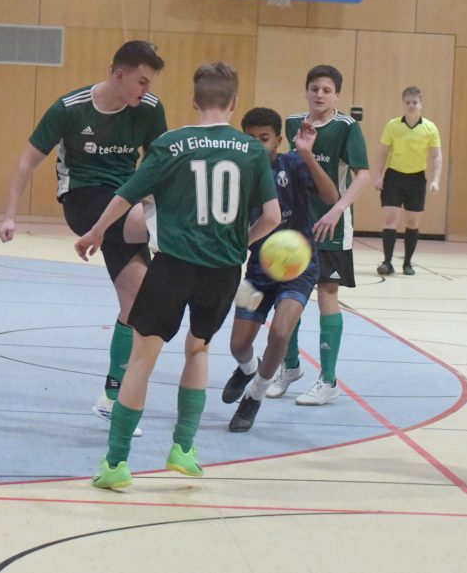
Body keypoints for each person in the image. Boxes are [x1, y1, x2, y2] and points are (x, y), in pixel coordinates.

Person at [74, 62, 281, 489]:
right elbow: (274, 217)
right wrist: (243, 240)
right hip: (222, 272)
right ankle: (184, 450)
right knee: (199, 351)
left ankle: (116, 464)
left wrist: (96, 231)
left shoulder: (172, 144)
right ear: (234, 103)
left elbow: (127, 193)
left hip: (172, 266)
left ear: (193, 101)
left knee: (142, 357)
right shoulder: (253, 151)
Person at [0, 41, 166, 435]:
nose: (146, 89)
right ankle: (181, 243)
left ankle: (111, 397)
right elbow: (26, 161)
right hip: (85, 200)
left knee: (138, 304)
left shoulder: (150, 109)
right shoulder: (69, 109)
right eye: (141, 81)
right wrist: (9, 215)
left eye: (150, 82)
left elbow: (160, 162)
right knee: (155, 220)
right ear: (118, 74)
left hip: (128, 202)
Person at [221, 107, 339, 432]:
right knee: (237, 345)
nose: (258, 145)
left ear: (278, 140)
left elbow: (331, 197)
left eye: (265, 138)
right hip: (258, 270)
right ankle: (247, 369)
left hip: (297, 268)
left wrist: (308, 155)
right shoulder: (235, 174)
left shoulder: (294, 163)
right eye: (251, 138)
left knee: (280, 333)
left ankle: (254, 397)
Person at [267, 65, 370, 405]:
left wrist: (338, 209)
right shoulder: (294, 123)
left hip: (332, 225)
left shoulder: (346, 127)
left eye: (327, 89)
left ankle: (328, 379)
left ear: (337, 94)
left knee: (327, 293)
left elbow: (363, 176)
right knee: (290, 294)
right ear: (307, 90)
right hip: (296, 224)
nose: (320, 94)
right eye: (314, 88)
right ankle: (291, 366)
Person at [374, 86, 442, 276]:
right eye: (407, 102)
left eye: (415, 102)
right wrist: (378, 176)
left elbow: (436, 156)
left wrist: (436, 180)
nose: (411, 106)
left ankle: (407, 263)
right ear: (403, 104)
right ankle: (387, 262)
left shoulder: (429, 128)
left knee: (412, 221)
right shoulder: (393, 125)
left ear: (421, 104)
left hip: (416, 179)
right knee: (391, 217)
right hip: (394, 176)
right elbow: (383, 153)